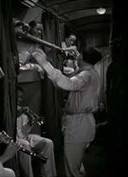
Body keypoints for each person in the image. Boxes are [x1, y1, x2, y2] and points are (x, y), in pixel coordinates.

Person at [31, 46, 102, 177]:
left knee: (71, 168)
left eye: (79, 56)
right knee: (77, 164)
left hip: (79, 125)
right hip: (83, 123)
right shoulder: (90, 72)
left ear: (82, 58)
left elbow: (68, 83)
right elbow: (62, 82)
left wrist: (45, 63)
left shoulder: (86, 75)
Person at [16, 87, 57, 177]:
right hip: (14, 139)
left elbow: (25, 131)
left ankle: (48, 174)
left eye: (21, 97)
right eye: (17, 97)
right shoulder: (9, 109)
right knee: (25, 144)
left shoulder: (22, 110)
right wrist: (19, 112)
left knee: (48, 143)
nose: (19, 99)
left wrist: (30, 121)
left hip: (24, 136)